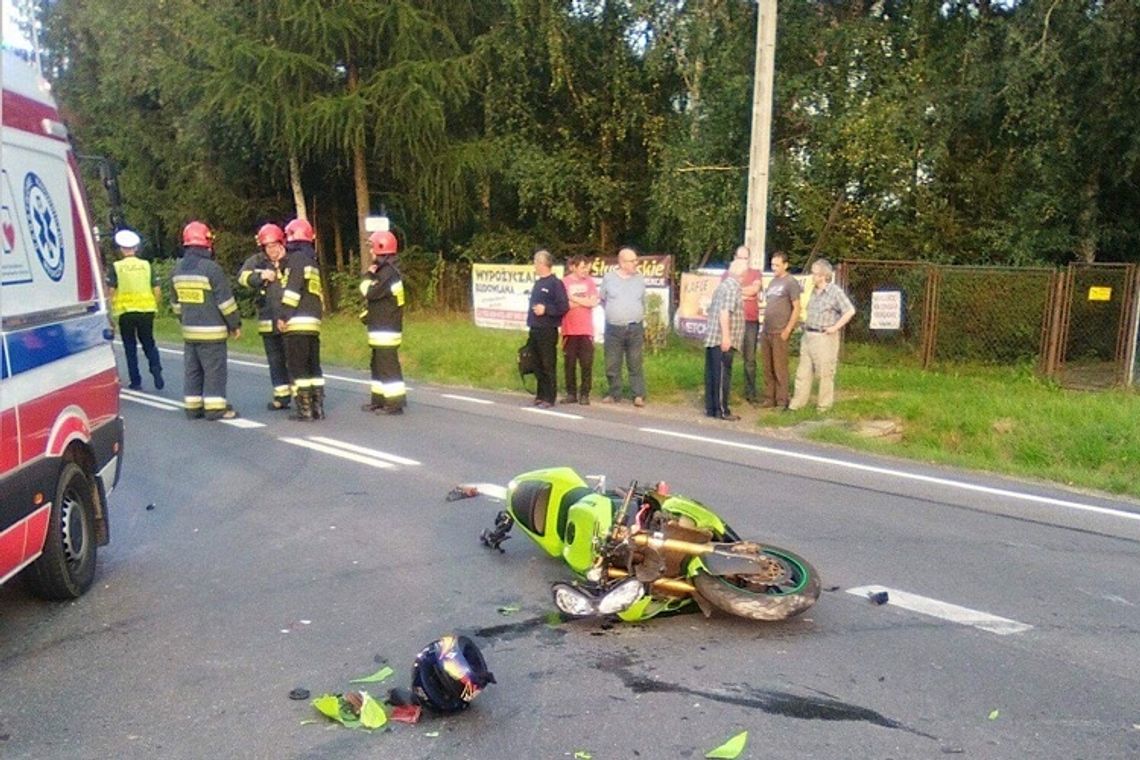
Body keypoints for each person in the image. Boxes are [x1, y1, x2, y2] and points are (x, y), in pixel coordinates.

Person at [170, 221, 241, 420]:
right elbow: (225, 302)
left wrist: (183, 320)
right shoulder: (211, 269)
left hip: (189, 331)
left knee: (193, 370)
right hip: (212, 331)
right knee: (214, 371)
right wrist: (234, 324)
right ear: (206, 242)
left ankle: (193, 407)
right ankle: (215, 408)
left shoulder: (177, 270)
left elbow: (175, 303)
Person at [789, 258, 856, 412]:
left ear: (823, 275)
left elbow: (850, 310)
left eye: (815, 273)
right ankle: (797, 404)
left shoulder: (834, 292)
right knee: (803, 372)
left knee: (825, 373)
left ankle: (823, 406)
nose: (812, 276)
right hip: (808, 335)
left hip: (824, 337)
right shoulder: (812, 291)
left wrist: (835, 327)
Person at [238, 223, 292, 410]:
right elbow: (242, 278)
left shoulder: (291, 260)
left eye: (275, 246)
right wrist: (260, 277)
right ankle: (282, 396)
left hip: (287, 319)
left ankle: (302, 395)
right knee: (275, 360)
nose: (272, 250)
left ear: (282, 243)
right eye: (268, 247)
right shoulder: (257, 261)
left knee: (293, 358)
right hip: (267, 319)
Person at [278, 218, 326, 421]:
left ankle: (304, 410)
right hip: (313, 322)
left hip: (297, 321)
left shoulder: (296, 260)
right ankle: (318, 408)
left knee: (297, 367)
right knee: (313, 366)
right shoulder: (312, 261)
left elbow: (292, 291)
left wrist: (283, 316)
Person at [107, 228, 163, 391]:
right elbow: (157, 289)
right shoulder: (146, 265)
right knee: (149, 343)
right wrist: (155, 306)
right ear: (136, 248)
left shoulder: (116, 267)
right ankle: (156, 370)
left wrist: (110, 312)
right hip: (146, 311)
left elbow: (110, 292)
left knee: (130, 347)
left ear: (121, 249)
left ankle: (136, 381)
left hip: (126, 313)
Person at [359, 229, 406, 415]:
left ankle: (394, 404)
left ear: (380, 249)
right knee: (378, 365)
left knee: (388, 367)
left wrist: (367, 277)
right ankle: (378, 400)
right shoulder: (386, 271)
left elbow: (369, 293)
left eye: (373, 248)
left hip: (386, 329)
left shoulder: (387, 273)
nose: (371, 252)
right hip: (382, 326)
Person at [599, 245, 647, 406]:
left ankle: (638, 394)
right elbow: (603, 300)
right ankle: (614, 393)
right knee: (612, 363)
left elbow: (642, 301)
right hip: (613, 328)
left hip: (635, 327)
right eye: (632, 261)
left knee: (635, 362)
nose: (636, 263)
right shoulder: (609, 278)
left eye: (636, 260)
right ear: (622, 262)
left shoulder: (639, 279)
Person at [525, 248, 568, 408]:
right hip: (534, 328)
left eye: (536, 262)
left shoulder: (555, 284)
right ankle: (540, 394)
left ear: (543, 264)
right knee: (535, 362)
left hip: (547, 330)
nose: (534, 265)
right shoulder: (538, 283)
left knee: (547, 363)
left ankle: (550, 398)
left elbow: (563, 306)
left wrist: (546, 310)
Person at [759, 251, 802, 410]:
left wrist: (788, 329)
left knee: (780, 367)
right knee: (767, 367)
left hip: (780, 331)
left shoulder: (790, 282)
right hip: (767, 330)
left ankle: (782, 400)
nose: (774, 268)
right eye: (772, 265)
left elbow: (797, 307)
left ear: (785, 265)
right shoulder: (772, 283)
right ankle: (769, 397)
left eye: (777, 265)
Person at [705, 259, 747, 420]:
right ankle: (722, 410)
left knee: (712, 375)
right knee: (723, 376)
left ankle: (711, 409)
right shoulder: (732, 288)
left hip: (712, 338)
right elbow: (725, 313)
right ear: (742, 275)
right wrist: (726, 337)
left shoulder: (722, 286)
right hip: (721, 339)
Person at [726, 245, 763, 404]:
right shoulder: (728, 274)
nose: (742, 261)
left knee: (750, 359)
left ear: (749, 259)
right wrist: (744, 293)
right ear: (735, 258)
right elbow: (728, 292)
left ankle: (751, 393)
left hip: (750, 321)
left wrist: (739, 291)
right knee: (727, 357)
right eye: (740, 257)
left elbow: (754, 290)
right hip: (733, 320)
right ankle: (725, 391)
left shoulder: (755, 273)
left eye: (745, 258)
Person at [560, 255, 599, 405]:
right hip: (569, 330)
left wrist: (574, 299)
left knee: (586, 363)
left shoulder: (590, 282)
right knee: (569, 363)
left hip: (586, 330)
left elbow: (593, 302)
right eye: (582, 267)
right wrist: (583, 302)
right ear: (573, 267)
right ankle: (571, 393)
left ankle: (585, 393)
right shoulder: (564, 282)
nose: (585, 270)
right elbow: (565, 305)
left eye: (587, 268)